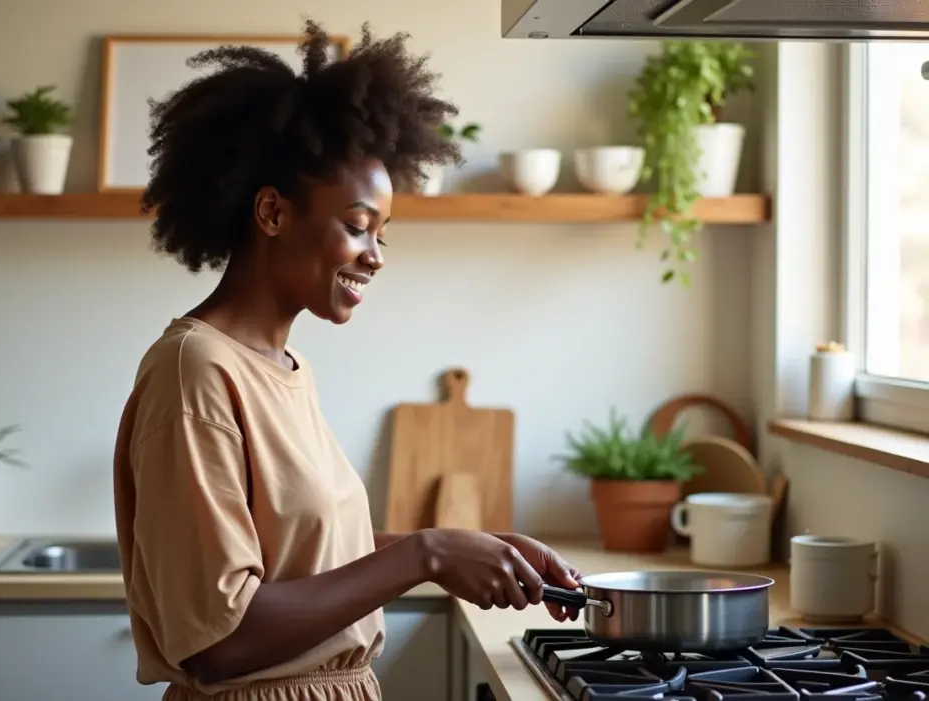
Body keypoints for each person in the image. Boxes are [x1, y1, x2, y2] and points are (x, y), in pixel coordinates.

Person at [112, 20, 584, 701]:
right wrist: (425, 555)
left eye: (384, 235)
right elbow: (218, 640)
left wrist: (455, 546)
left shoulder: (283, 366)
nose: (375, 255)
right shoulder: (195, 370)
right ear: (272, 212)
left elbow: (311, 557)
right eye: (359, 226)